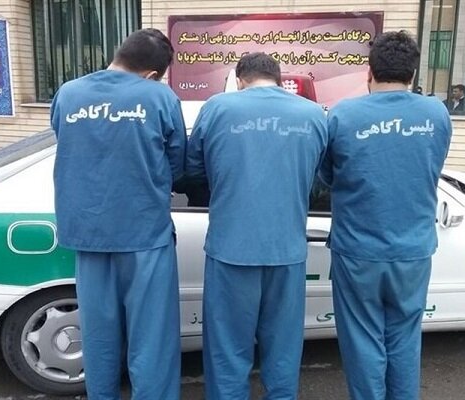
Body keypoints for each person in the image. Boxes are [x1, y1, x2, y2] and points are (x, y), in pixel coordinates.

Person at [50, 28, 186, 400]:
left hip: (87, 234)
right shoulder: (159, 97)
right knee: (152, 338)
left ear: (119, 54)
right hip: (144, 234)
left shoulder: (68, 93)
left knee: (98, 336)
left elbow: (68, 144)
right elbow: (177, 164)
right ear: (152, 74)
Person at [185, 52, 328, 399]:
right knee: (283, 347)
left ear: (240, 80)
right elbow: (319, 179)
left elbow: (193, 171)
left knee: (228, 348)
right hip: (287, 250)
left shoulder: (217, 108)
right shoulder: (313, 114)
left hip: (231, 248)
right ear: (278, 79)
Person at [320, 31, 452, 400]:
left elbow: (328, 175)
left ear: (369, 71)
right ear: (413, 73)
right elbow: (432, 164)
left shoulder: (342, 115)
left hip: (357, 252)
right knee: (405, 338)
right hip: (413, 251)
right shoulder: (436, 114)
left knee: (362, 339)